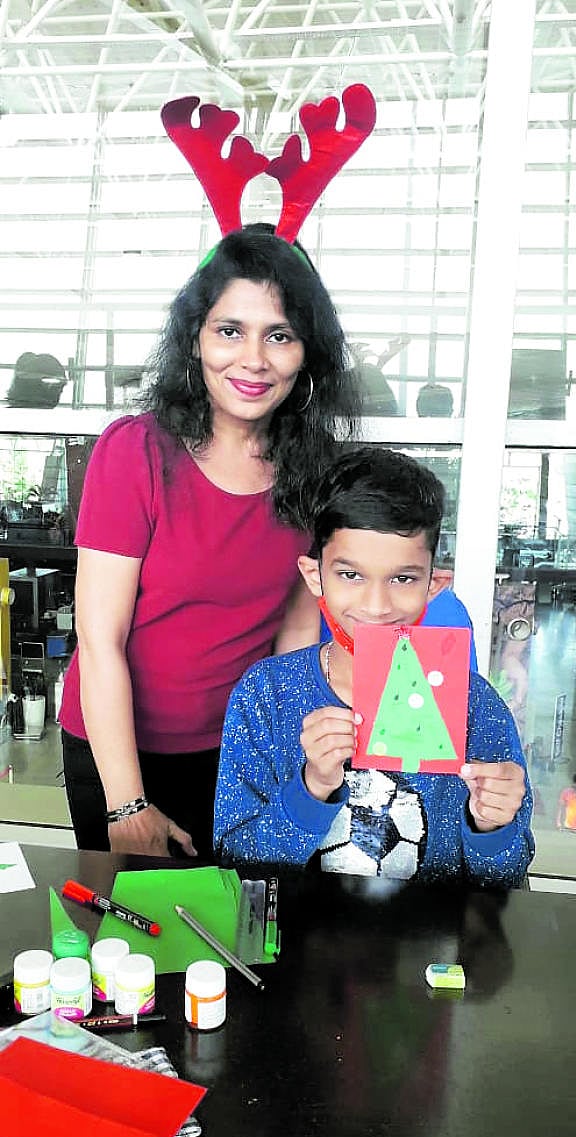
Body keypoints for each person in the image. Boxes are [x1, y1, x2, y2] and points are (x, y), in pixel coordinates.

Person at [59, 223, 360, 859]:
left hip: (240, 750)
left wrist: (293, 765)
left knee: (246, 937)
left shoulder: (318, 471)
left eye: (279, 336)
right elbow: (99, 639)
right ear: (195, 339)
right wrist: (128, 804)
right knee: (140, 944)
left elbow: (295, 642)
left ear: (307, 354)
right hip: (117, 755)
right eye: (230, 331)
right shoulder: (135, 452)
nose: (252, 359)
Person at [214, 446, 534, 886]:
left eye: (403, 579)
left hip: (429, 946)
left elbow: (507, 876)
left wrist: (491, 826)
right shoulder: (265, 694)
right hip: (296, 941)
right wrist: (310, 787)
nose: (377, 606)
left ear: (433, 585)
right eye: (350, 575)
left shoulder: (477, 708)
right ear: (314, 577)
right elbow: (236, 862)